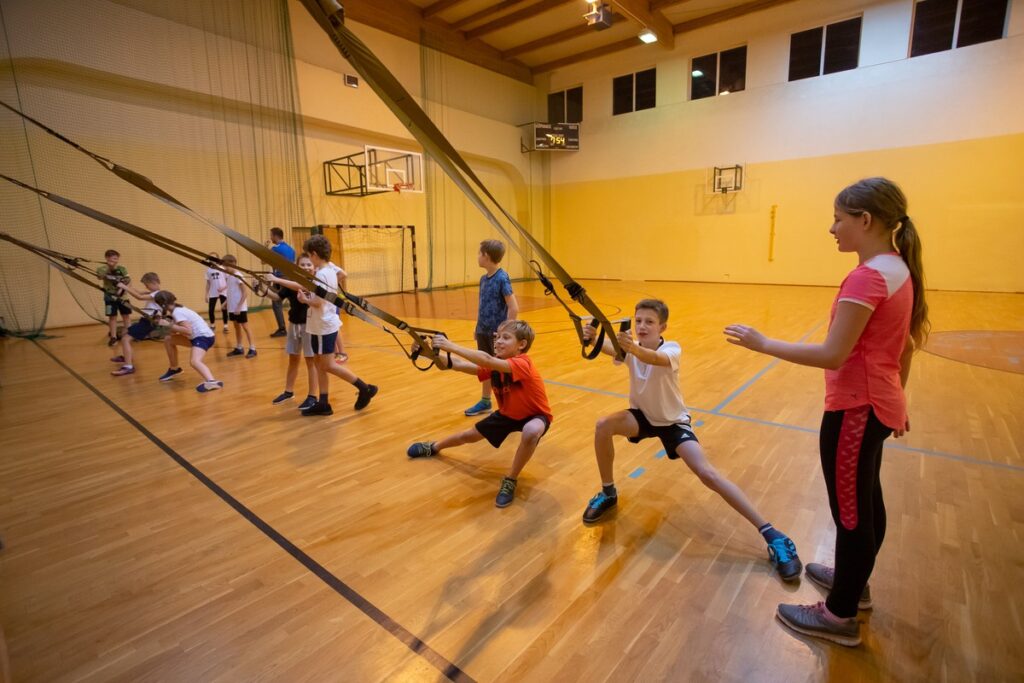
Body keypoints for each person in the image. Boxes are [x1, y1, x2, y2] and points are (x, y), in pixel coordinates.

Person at [724, 177, 928, 647]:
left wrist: (763, 343)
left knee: (851, 514)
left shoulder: (868, 275)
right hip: (877, 403)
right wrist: (897, 397)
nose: (831, 228)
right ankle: (853, 585)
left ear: (865, 220)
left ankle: (839, 615)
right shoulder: (899, 268)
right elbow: (907, 346)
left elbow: (835, 354)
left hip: (857, 408)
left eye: (838, 218)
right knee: (867, 500)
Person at [581, 299, 802, 583]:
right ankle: (608, 493)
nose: (642, 326)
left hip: (672, 423)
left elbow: (653, 359)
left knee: (707, 473)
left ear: (663, 327)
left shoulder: (671, 349)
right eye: (638, 321)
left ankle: (773, 534)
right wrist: (593, 338)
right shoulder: (633, 350)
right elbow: (612, 349)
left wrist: (631, 347)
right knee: (603, 425)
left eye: (649, 321)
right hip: (643, 417)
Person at [406, 320, 552, 508]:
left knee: (532, 431)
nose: (498, 341)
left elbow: (487, 360)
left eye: (505, 338)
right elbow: (456, 364)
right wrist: (426, 351)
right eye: (497, 337)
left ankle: (510, 479)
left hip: (535, 415)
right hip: (507, 414)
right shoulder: (494, 367)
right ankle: (434, 447)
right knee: (468, 436)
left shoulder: (523, 363)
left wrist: (450, 345)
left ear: (521, 345)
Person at [297, 235, 377, 416]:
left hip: (323, 325)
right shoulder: (329, 269)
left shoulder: (321, 274)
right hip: (322, 324)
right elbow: (341, 276)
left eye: (309, 256)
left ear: (315, 254)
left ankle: (365, 388)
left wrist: (304, 299)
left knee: (328, 365)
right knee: (319, 363)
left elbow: (317, 302)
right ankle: (323, 402)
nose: (309, 260)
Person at [463, 239, 519, 417]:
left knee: (501, 370)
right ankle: (485, 401)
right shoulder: (483, 279)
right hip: (483, 330)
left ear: (486, 256)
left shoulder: (502, 278)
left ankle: (511, 405)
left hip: (497, 335)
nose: (478, 257)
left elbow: (513, 307)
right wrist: (477, 326)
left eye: (480, 253)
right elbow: (483, 305)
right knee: (484, 365)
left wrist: (506, 333)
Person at [265, 253, 319, 410]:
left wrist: (275, 279)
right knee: (293, 359)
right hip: (294, 325)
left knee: (311, 362)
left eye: (309, 264)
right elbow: (277, 297)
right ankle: (288, 391)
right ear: (297, 267)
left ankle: (312, 396)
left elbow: (302, 287)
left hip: (310, 326)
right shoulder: (290, 283)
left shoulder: (314, 282)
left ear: (314, 268)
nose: (306, 267)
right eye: (302, 265)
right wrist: (262, 290)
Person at [153, 290, 223, 393]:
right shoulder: (177, 309)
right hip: (197, 337)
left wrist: (168, 324)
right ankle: (174, 369)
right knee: (168, 340)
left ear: (163, 304)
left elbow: (188, 331)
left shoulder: (177, 312)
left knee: (194, 361)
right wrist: (167, 324)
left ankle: (212, 381)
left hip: (203, 337)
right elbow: (179, 331)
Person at [110, 272, 162, 376]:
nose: (146, 287)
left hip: (149, 322)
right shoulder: (153, 292)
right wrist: (128, 285)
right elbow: (139, 292)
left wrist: (123, 286)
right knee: (125, 332)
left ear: (154, 282)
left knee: (125, 339)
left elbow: (139, 297)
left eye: (147, 285)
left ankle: (128, 366)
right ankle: (127, 356)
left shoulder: (158, 294)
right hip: (145, 321)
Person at [221, 254, 256, 359]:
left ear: (233, 264)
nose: (225, 268)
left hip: (239, 308)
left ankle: (253, 349)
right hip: (232, 308)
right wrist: (225, 303)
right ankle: (239, 348)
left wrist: (239, 307)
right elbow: (232, 292)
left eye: (226, 266)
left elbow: (245, 293)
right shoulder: (230, 277)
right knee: (236, 327)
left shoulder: (238, 275)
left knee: (245, 327)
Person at [96, 249, 131, 346]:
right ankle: (113, 337)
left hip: (123, 297)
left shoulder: (122, 268)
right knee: (112, 317)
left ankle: (129, 335)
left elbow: (127, 279)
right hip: (109, 297)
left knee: (126, 315)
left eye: (117, 259)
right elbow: (100, 277)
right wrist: (109, 267)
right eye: (113, 258)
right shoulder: (101, 268)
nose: (116, 261)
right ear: (107, 258)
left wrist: (120, 291)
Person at [268, 227, 295, 338]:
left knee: (276, 303)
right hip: (291, 278)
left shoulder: (275, 249)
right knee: (294, 301)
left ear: (275, 236)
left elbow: (262, 260)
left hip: (279, 278)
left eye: (271, 235)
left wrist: (265, 247)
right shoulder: (291, 249)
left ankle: (282, 329)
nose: (270, 237)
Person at [205, 252, 229, 333]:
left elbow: (228, 280)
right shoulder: (208, 270)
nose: (212, 260)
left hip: (223, 291)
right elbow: (208, 283)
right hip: (213, 292)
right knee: (211, 309)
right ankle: (212, 325)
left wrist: (223, 288)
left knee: (224, 308)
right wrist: (206, 294)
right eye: (210, 258)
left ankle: (225, 326)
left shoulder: (222, 268)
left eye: (214, 258)